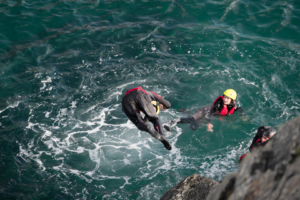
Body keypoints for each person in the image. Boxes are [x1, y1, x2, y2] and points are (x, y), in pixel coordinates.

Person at [163, 89, 244, 132]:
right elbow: (209, 114)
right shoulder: (218, 105)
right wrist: (208, 124)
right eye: (225, 97)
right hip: (204, 111)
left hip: (208, 113)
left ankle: (187, 112)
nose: (226, 100)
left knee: (194, 127)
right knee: (191, 119)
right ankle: (168, 123)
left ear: (232, 100)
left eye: (228, 98)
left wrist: (243, 115)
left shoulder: (232, 105)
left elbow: (239, 109)